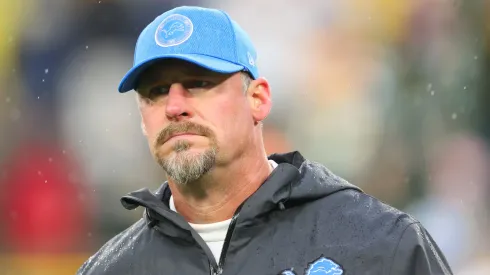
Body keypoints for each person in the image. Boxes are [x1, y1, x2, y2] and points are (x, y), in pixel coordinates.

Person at [77, 6, 453, 275]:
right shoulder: (111, 269)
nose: (174, 106)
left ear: (257, 99)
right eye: (156, 92)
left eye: (198, 84)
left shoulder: (378, 244)